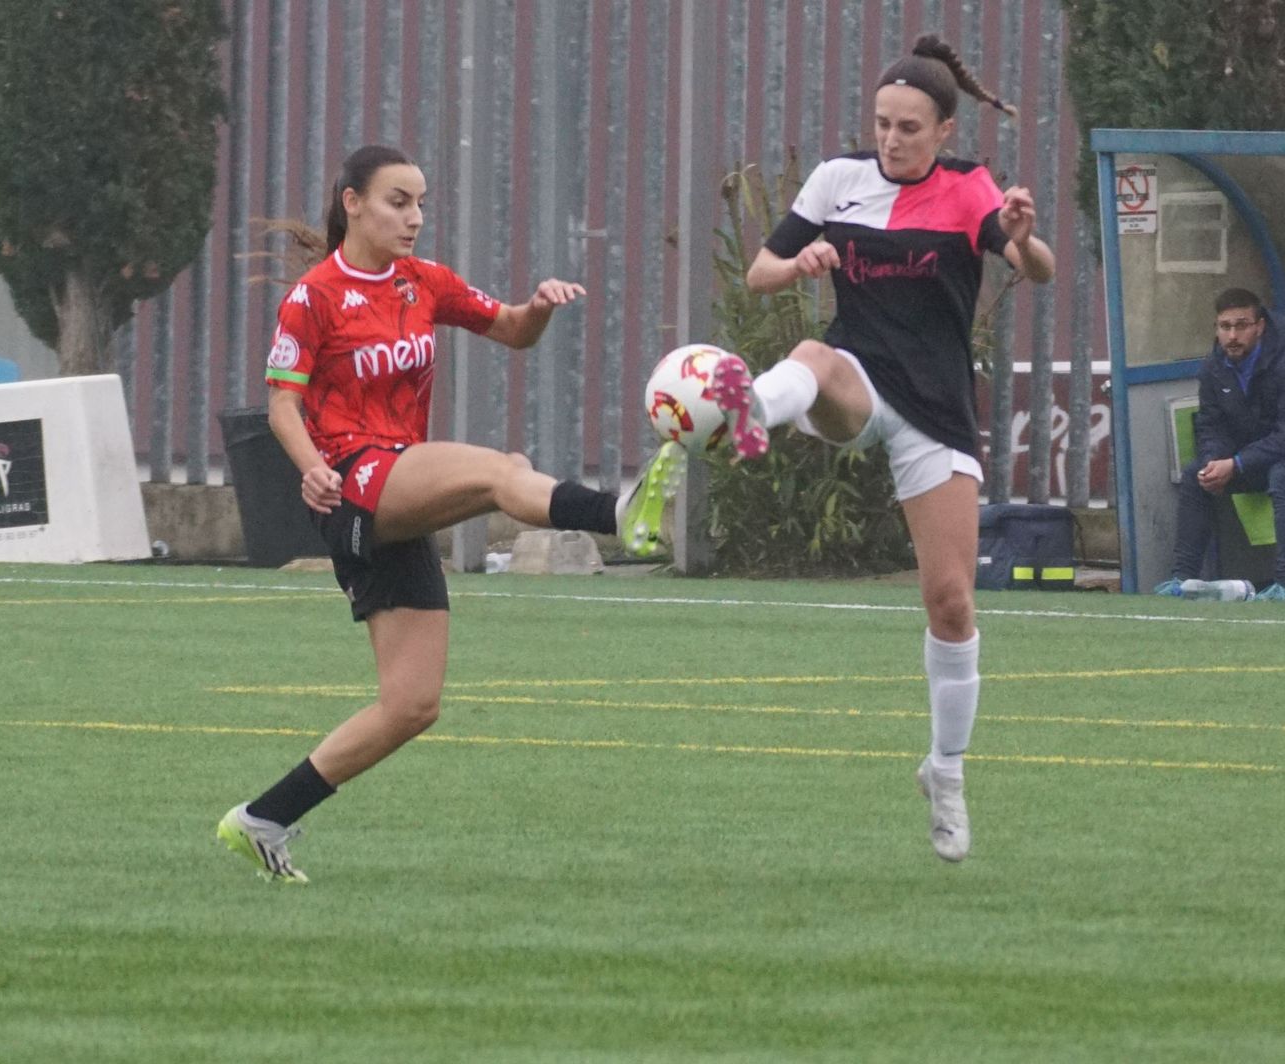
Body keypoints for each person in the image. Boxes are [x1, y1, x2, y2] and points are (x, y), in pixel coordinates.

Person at [216, 144, 665, 883]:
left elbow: (512, 330)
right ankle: (623, 512)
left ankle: (262, 817)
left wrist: (540, 308)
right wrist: (315, 468)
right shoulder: (315, 296)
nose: (415, 217)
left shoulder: (425, 283)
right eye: (398, 201)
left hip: (399, 490)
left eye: (421, 203)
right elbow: (282, 405)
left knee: (412, 705)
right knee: (500, 472)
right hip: (355, 480)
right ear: (352, 201)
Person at [690, 35, 1056, 862]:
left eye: (909, 128)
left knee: (951, 601)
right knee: (814, 357)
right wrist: (803, 261)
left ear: (943, 130)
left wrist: (1025, 237)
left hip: (935, 407)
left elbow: (1039, 270)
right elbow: (758, 272)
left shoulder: (970, 189)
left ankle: (947, 772)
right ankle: (751, 409)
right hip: (854, 377)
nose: (892, 139)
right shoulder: (837, 180)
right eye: (883, 124)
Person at [1153, 288, 1285, 602]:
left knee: (1284, 475)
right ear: (1216, 328)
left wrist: (1237, 463)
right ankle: (1182, 578)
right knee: (1199, 475)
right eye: (1225, 326)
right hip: (1269, 453)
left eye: (1241, 325)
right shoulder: (1214, 368)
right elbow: (1211, 425)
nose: (1232, 335)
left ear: (1259, 326)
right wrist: (1215, 461)